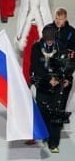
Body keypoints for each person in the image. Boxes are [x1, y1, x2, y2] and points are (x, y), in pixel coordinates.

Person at [30, 25, 73, 153]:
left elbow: (66, 64)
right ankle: (45, 135)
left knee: (55, 113)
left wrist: (67, 78)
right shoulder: (36, 48)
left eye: (51, 38)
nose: (49, 41)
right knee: (43, 112)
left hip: (57, 85)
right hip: (43, 84)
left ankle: (53, 143)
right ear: (43, 37)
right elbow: (35, 66)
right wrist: (48, 79)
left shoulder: (60, 46)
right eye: (47, 38)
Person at [16, 0, 52, 83]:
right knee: (27, 56)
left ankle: (39, 79)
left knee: (41, 56)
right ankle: (25, 80)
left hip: (40, 28)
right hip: (27, 28)